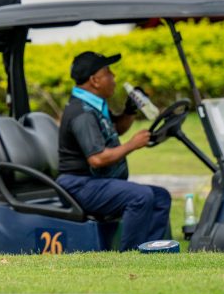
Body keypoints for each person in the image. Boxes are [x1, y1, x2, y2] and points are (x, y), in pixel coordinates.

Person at [56, 51, 172, 251]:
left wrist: (130, 110)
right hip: (79, 185)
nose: (114, 77)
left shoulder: (93, 104)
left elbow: (116, 128)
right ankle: (131, 255)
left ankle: (152, 253)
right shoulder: (81, 113)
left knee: (160, 197)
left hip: (94, 182)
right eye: (108, 72)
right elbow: (97, 159)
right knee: (140, 196)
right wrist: (132, 144)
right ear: (95, 80)